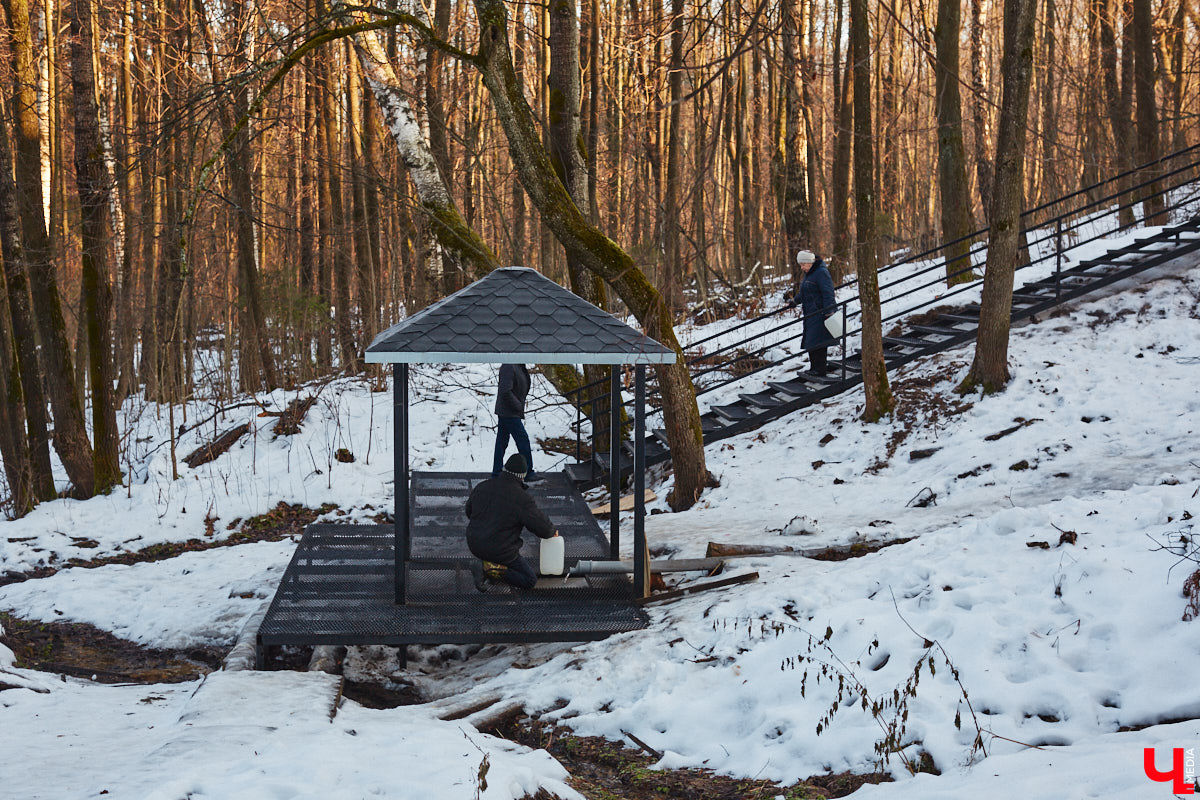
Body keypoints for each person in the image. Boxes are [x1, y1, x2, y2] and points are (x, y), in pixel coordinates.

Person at [466, 454, 560, 591]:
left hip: (474, 543)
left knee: (497, 548)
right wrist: (552, 532)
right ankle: (486, 567)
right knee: (529, 580)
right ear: (522, 476)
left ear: (504, 470)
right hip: (499, 550)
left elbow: (469, 511)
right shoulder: (522, 499)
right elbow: (543, 528)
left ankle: (489, 565)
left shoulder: (482, 486)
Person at [787, 250, 837, 375]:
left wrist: (829, 311)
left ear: (810, 262)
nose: (802, 267)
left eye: (803, 264)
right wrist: (795, 301)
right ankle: (814, 368)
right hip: (810, 313)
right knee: (811, 341)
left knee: (818, 342)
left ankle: (820, 370)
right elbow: (805, 291)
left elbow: (828, 293)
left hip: (821, 313)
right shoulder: (810, 274)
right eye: (801, 265)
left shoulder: (821, 273)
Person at [492, 362, 542, 482]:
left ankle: (496, 471)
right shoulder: (510, 366)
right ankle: (528, 472)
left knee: (502, 441)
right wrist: (518, 406)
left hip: (508, 410)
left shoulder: (518, 366)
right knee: (522, 439)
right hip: (509, 411)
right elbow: (505, 390)